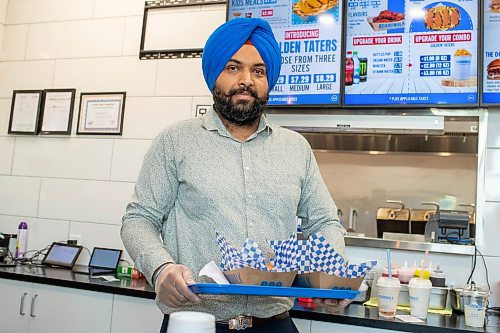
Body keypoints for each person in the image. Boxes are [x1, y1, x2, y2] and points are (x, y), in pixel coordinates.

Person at [121, 18, 348, 333]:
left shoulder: (296, 148)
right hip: (197, 322)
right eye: (233, 68)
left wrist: (330, 271)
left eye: (258, 71)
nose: (246, 80)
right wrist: (161, 269)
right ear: (214, 74)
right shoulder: (174, 142)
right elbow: (139, 220)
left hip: (275, 324)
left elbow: (324, 223)